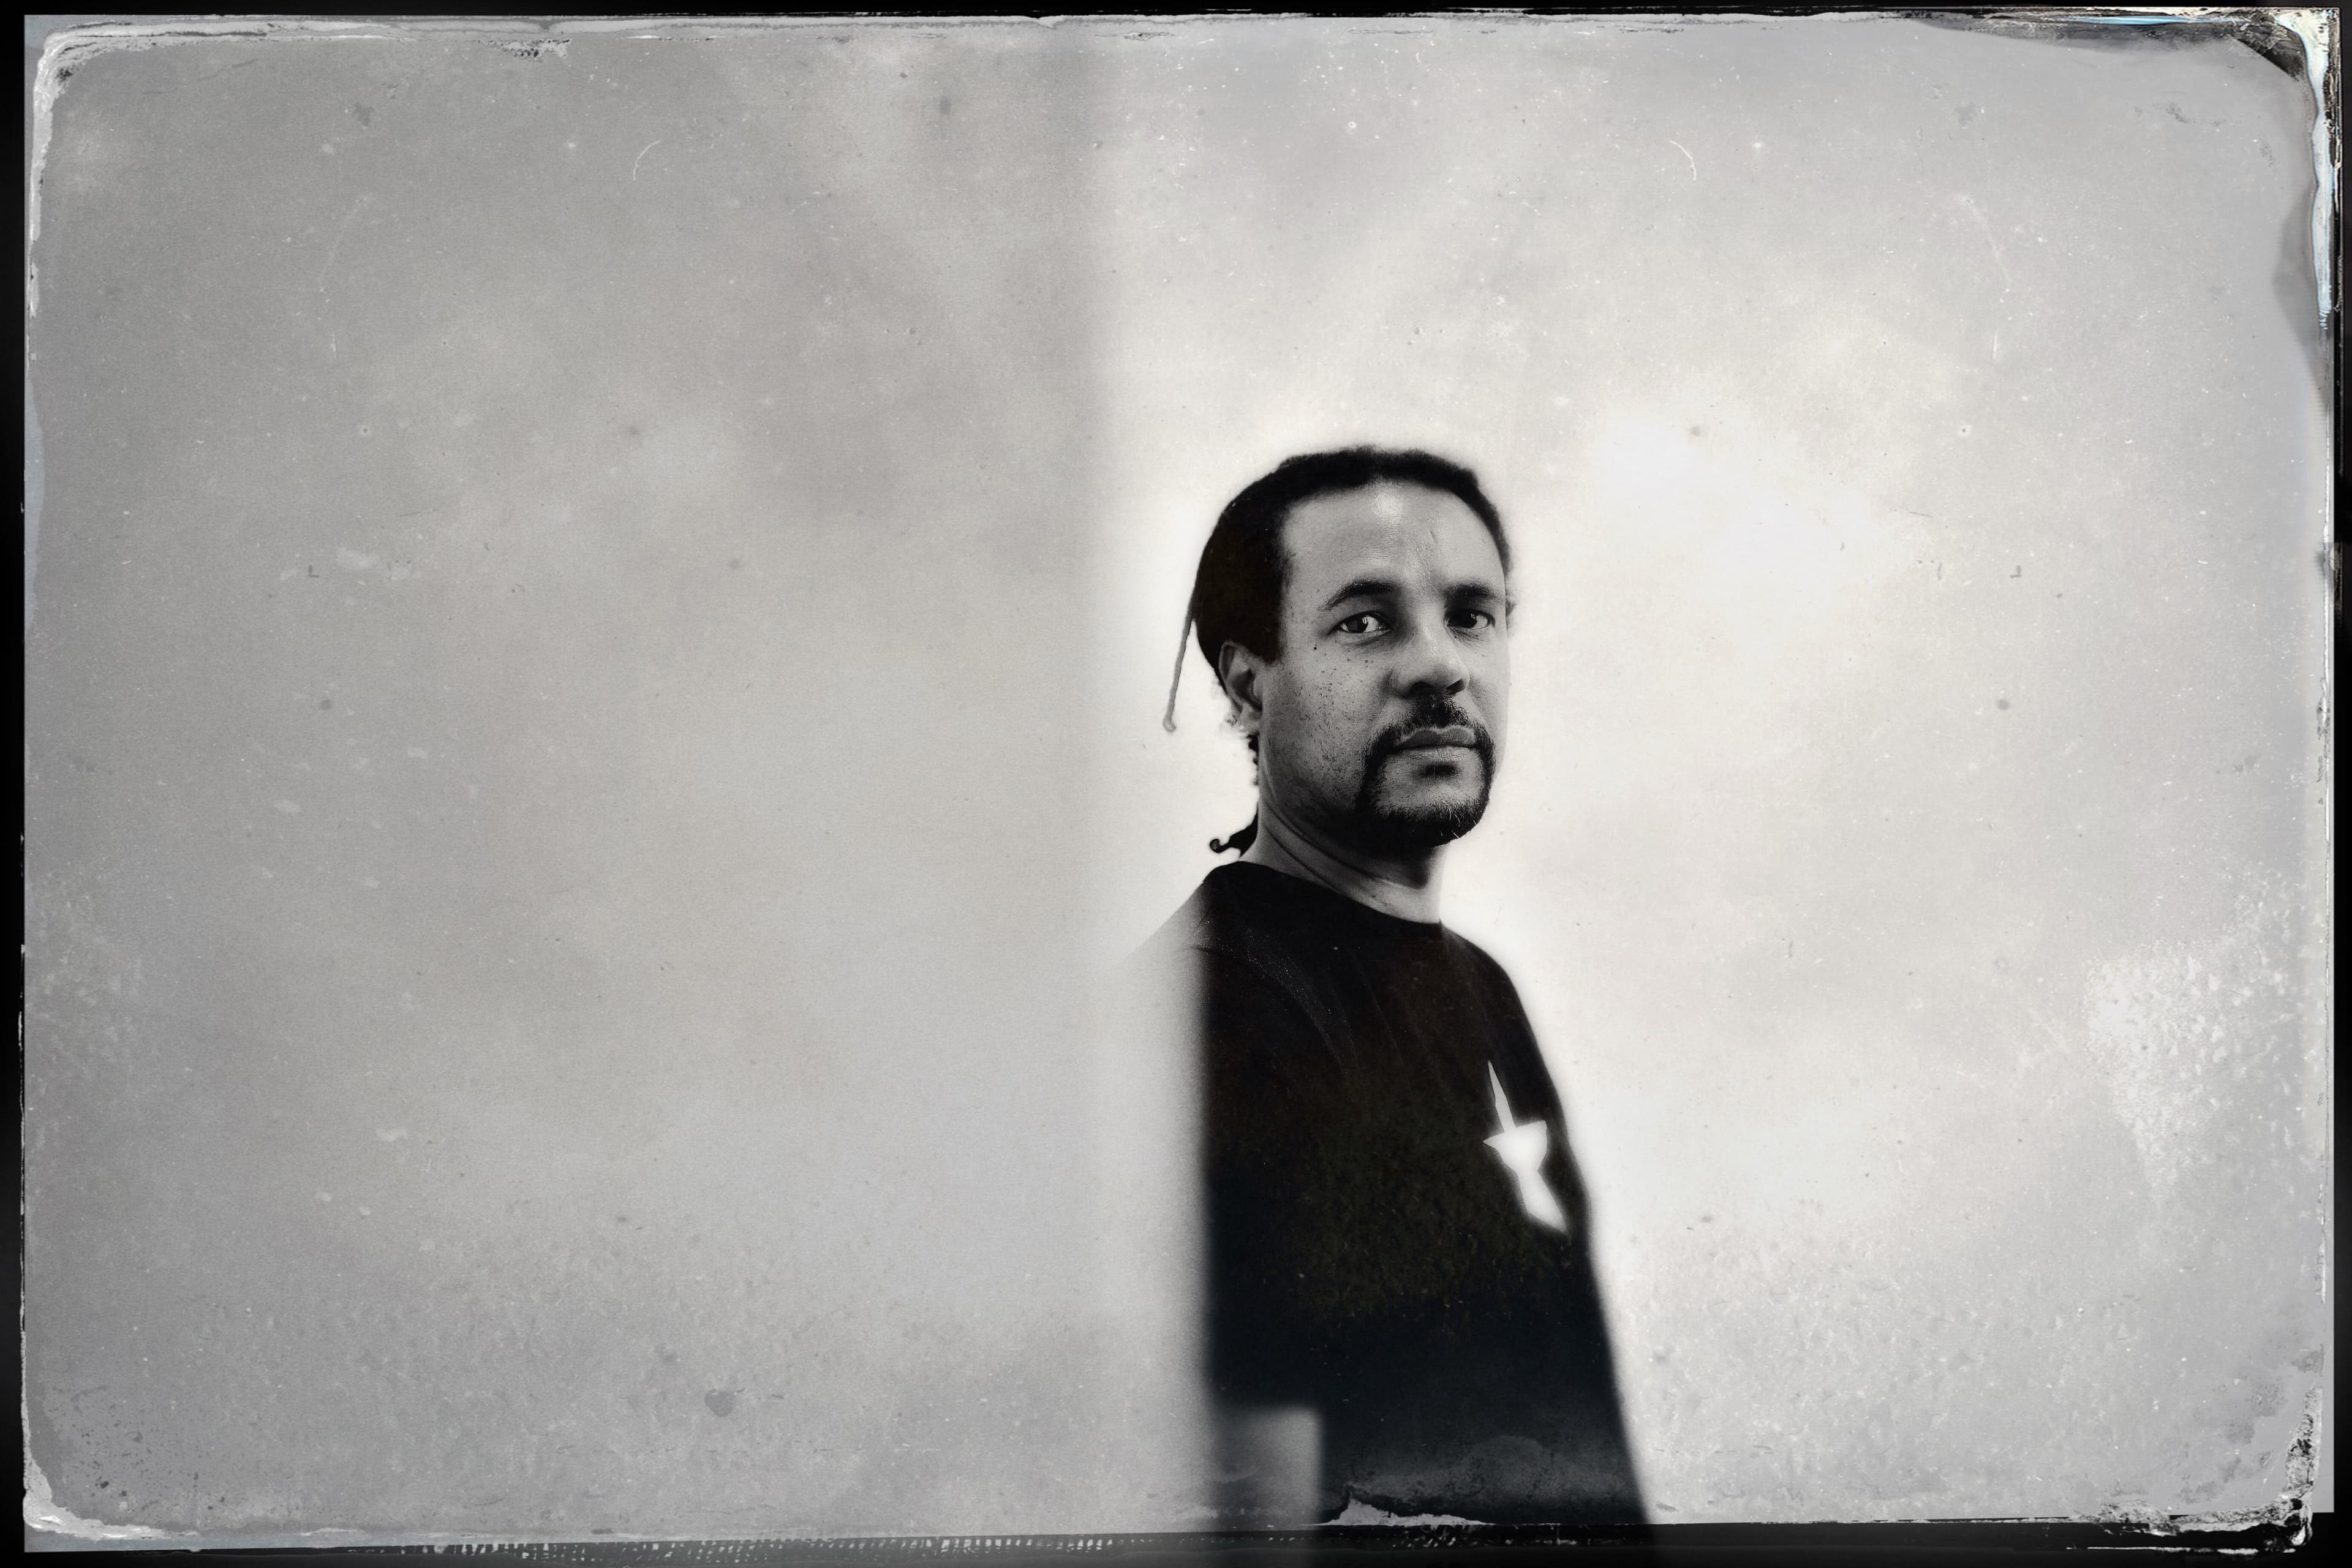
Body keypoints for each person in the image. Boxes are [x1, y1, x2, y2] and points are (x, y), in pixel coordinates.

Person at [1144, 447, 1646, 1527]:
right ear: (1247, 682)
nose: (1439, 667)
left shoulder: (1478, 984)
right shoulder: (1208, 1012)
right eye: (1366, 622)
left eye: (1471, 616)